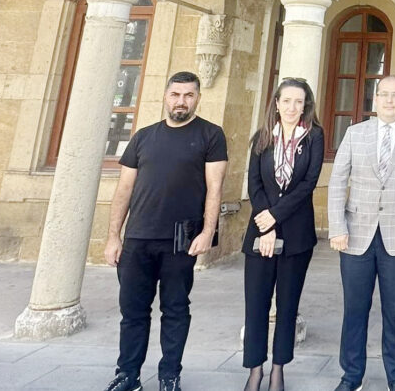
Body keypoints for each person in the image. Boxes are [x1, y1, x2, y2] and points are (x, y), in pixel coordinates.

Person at [102, 71, 227, 391]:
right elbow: (124, 190)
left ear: (197, 98)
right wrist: (113, 236)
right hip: (138, 239)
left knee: (175, 310)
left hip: (180, 240)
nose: (181, 101)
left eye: (188, 95)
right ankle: (127, 375)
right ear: (165, 96)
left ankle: (169, 375)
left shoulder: (211, 135)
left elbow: (215, 189)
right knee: (132, 312)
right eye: (175, 94)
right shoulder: (143, 137)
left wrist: (207, 232)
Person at [328, 75, 395, 391]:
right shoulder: (354, 134)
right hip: (355, 236)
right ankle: (351, 377)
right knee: (355, 310)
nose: (389, 100)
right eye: (384, 94)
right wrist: (337, 227)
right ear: (375, 99)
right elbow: (337, 183)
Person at [241, 78, 325, 391]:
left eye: (298, 102)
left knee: (287, 306)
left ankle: (278, 369)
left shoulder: (314, 137)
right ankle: (255, 370)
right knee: (256, 305)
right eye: (286, 101)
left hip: (296, 237)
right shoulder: (262, 138)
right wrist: (266, 225)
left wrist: (275, 217)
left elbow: (308, 184)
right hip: (259, 234)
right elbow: (254, 184)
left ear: (306, 106)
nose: (292, 108)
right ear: (276, 103)